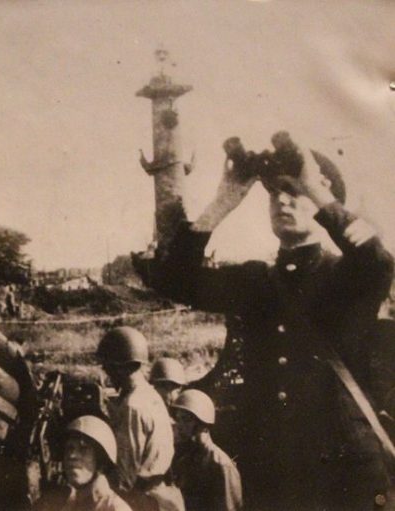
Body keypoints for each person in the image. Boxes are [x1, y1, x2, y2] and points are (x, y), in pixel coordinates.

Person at [149, 133, 394, 510]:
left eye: (292, 189)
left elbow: (378, 263)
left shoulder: (347, 277)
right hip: (272, 472)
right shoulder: (256, 281)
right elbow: (174, 280)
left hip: (343, 476)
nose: (281, 199)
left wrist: (316, 190)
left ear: (318, 194)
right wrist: (222, 202)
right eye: (273, 192)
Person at [97, 327, 184, 511]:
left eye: (109, 365)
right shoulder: (151, 396)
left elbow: (123, 479)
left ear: (123, 367)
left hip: (144, 502)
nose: (105, 369)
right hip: (164, 498)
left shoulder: (133, 406)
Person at [33, 415, 131, 511]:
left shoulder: (115, 508)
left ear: (100, 459)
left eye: (83, 449)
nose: (72, 455)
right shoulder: (68, 504)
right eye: (69, 448)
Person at [170, 389, 242, 511]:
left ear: (202, 424)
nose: (180, 425)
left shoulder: (220, 465)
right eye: (178, 419)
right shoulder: (184, 458)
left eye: (186, 419)